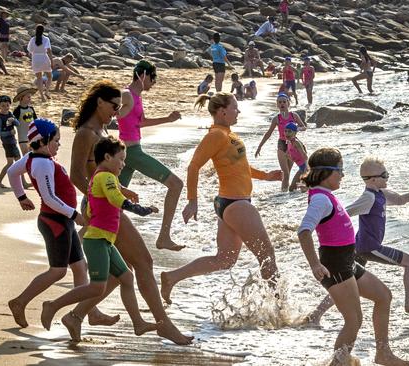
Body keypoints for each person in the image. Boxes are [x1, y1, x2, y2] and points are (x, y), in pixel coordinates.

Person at [66, 80, 193, 345]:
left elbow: (100, 171)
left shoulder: (100, 129)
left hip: (108, 205)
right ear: (99, 102)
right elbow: (76, 174)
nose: (117, 111)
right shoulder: (86, 133)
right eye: (114, 106)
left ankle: (77, 315)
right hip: (101, 208)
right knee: (144, 262)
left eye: (120, 107)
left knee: (119, 273)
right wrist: (94, 201)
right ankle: (163, 324)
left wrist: (121, 188)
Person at [159, 92, 281, 305]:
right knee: (266, 254)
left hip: (231, 203)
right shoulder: (216, 135)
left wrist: (266, 176)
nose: (238, 111)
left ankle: (171, 277)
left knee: (224, 260)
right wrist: (192, 200)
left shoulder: (228, 135)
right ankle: (279, 305)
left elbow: (241, 167)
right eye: (235, 107)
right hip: (236, 204)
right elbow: (194, 165)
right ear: (223, 111)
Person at [297, 148, 409, 366]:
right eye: (340, 170)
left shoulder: (325, 195)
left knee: (383, 296)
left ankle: (383, 353)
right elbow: (304, 232)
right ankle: (338, 363)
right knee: (353, 320)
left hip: (346, 261)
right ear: (326, 173)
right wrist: (314, 264)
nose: (343, 175)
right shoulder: (321, 200)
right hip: (335, 264)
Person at [40, 136, 161, 339]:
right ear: (107, 157)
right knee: (97, 286)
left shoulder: (103, 176)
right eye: (121, 159)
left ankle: (138, 323)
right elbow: (115, 198)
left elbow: (108, 198)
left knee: (126, 277)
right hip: (97, 241)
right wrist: (141, 210)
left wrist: (124, 192)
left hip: (105, 240)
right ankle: (53, 305)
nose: (123, 164)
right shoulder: (106, 177)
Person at [306, 157, 409, 327]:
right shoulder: (369, 198)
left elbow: (401, 200)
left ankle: (315, 315)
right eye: (385, 175)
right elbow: (344, 213)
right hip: (369, 247)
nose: (388, 177)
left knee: (349, 283)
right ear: (373, 179)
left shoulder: (382, 194)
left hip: (360, 247)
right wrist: (327, 228)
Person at [5, 118, 90, 328]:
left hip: (63, 221)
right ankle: (20, 302)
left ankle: (83, 313)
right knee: (58, 271)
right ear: (43, 141)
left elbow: (12, 172)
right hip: (55, 222)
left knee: (80, 268)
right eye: (56, 140)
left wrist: (21, 196)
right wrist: (74, 215)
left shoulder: (32, 158)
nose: (59, 144)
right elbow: (50, 198)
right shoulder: (41, 163)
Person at [117, 60, 185, 251]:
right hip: (132, 153)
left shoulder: (137, 97)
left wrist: (168, 119)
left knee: (112, 202)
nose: (154, 83)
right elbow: (117, 102)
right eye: (153, 79)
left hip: (127, 155)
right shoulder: (128, 95)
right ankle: (164, 237)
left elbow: (141, 123)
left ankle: (78, 244)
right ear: (144, 75)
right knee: (176, 184)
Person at [255, 93, 306, 191]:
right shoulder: (277, 118)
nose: (282, 104)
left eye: (284, 102)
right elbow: (268, 133)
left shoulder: (293, 115)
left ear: (288, 103)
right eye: (280, 102)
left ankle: (285, 196)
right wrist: (260, 146)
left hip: (293, 144)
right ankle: (283, 194)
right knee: (285, 173)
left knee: (288, 172)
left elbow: (304, 127)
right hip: (282, 144)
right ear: (277, 105)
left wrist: (297, 129)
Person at [0, 95, 27, 188]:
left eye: (7, 105)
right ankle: (23, 183)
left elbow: (18, 124)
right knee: (17, 162)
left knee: (11, 163)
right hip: (8, 143)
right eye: (3, 106)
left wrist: (14, 120)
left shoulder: (10, 114)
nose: (5, 108)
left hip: (12, 142)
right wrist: (9, 132)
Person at [27, 24, 53, 101]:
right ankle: (47, 91)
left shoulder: (32, 39)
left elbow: (30, 51)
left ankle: (42, 96)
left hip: (35, 58)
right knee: (49, 76)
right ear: (43, 31)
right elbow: (49, 51)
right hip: (44, 57)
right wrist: (51, 61)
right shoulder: (46, 39)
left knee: (39, 78)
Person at [12, 86, 38, 159]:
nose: (30, 98)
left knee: (33, 157)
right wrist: (12, 129)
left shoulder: (31, 109)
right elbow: (12, 122)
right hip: (22, 138)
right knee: (26, 158)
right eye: (28, 97)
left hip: (32, 137)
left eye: (30, 97)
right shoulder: (17, 110)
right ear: (21, 98)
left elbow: (36, 121)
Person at [284, 122, 308, 192]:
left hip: (305, 167)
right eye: (285, 131)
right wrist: (288, 156)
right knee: (292, 189)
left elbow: (304, 155)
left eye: (289, 131)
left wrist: (307, 168)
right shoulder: (288, 142)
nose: (287, 133)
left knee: (304, 189)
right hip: (301, 168)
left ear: (295, 133)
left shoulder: (296, 142)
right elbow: (293, 157)